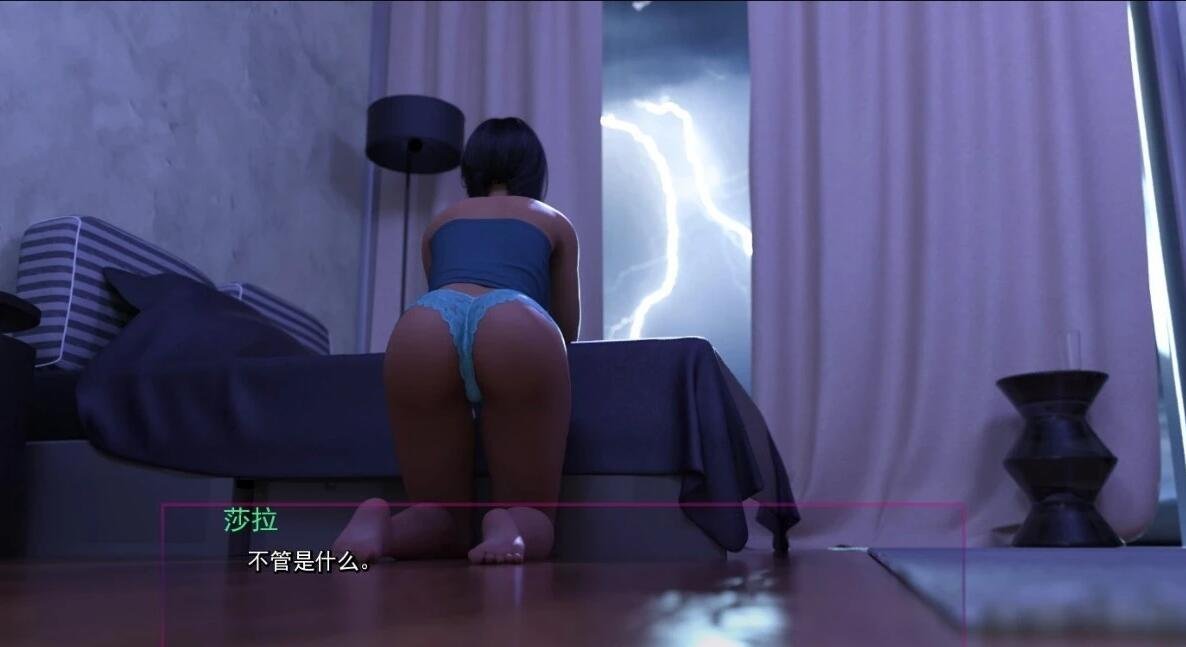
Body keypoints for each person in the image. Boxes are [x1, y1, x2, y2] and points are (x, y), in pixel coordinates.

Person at [333, 117, 579, 565]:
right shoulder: (553, 221)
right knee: (532, 510)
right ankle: (508, 524)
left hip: (426, 324)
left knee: (439, 511)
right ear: (534, 168)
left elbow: (450, 295)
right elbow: (566, 329)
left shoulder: (440, 222)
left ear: (471, 167)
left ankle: (383, 528)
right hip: (515, 322)